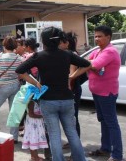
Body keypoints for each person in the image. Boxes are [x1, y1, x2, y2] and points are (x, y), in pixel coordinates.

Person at [15, 27, 91, 161]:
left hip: (48, 100)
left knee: (54, 134)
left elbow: (20, 70)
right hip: (67, 99)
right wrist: (71, 77)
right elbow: (87, 64)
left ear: (43, 40)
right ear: (58, 40)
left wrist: (36, 83)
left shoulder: (39, 56)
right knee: (72, 133)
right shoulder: (67, 54)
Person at [80, 26, 122, 161]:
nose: (96, 38)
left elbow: (94, 65)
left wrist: (90, 63)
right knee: (103, 121)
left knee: (111, 123)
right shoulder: (98, 51)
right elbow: (86, 61)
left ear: (108, 37)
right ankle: (105, 148)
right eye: (95, 36)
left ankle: (117, 155)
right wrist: (89, 63)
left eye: (99, 36)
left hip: (106, 93)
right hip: (98, 93)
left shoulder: (110, 51)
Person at [0, 36, 23, 142]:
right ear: (15, 45)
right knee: (14, 112)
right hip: (15, 86)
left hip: (2, 86)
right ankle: (14, 137)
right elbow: (21, 73)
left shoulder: (0, 57)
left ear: (4, 45)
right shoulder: (19, 58)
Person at [59, 32, 84, 150]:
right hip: (73, 89)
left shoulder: (71, 55)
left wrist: (68, 86)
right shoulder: (71, 54)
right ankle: (73, 142)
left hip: (72, 89)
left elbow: (72, 74)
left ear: (66, 43)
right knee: (71, 117)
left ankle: (75, 143)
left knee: (73, 117)